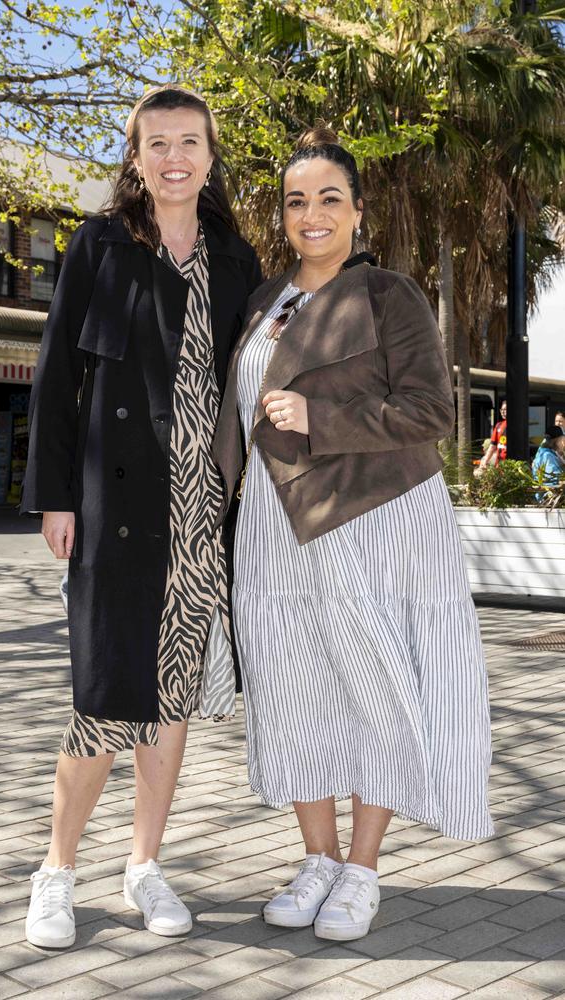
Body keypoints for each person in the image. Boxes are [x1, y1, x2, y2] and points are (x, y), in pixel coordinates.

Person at [213, 125, 493, 943]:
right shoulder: (263, 302)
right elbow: (234, 417)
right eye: (297, 200)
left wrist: (319, 415)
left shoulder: (389, 296)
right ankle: (319, 860)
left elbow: (432, 414)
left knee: (374, 684)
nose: (312, 213)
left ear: (358, 212)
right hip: (269, 523)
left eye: (330, 198)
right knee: (289, 686)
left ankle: (364, 869)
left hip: (368, 517)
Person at [20, 84, 261, 949]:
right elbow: (55, 379)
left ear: (208, 154)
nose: (173, 157)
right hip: (112, 505)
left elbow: (258, 375)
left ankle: (144, 867)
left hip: (201, 514)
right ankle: (55, 871)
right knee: (102, 698)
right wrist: (54, 497)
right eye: (156, 142)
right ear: (136, 154)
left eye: (188, 141)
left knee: (170, 700)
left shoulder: (237, 258)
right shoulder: (99, 246)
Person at [532, 424, 565, 499]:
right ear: (557, 440)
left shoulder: (544, 453)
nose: (563, 444)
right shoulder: (548, 456)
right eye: (562, 440)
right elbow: (553, 481)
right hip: (547, 498)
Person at [477, 399, 507, 474]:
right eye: (502, 410)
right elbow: (492, 446)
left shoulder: (516, 425)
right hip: (499, 464)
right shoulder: (498, 425)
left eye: (505, 409)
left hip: (510, 463)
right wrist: (485, 461)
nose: (503, 412)